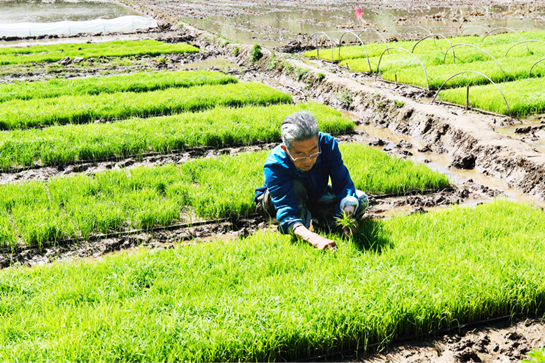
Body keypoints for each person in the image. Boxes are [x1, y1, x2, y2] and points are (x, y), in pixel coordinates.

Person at [254, 111, 369, 250]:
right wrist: (315, 239)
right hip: (281, 201)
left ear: (318, 139)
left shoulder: (328, 145)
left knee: (361, 200)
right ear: (286, 149)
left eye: (314, 151)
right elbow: (286, 210)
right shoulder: (275, 164)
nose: (308, 160)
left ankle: (314, 220)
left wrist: (348, 215)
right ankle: (301, 227)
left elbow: (343, 184)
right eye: (299, 154)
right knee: (297, 188)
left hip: (316, 195)